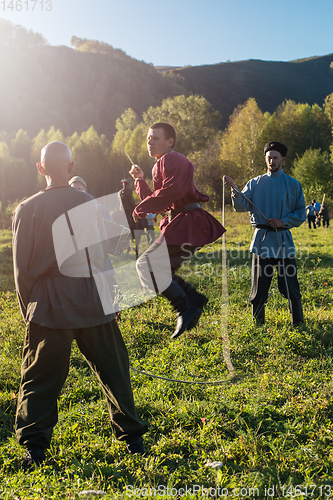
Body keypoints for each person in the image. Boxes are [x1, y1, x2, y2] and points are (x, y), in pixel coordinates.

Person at [12, 142, 147, 468]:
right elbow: (102, 258)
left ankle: (35, 449)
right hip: (91, 296)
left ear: (41, 168)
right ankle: (133, 441)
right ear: (70, 168)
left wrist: (27, 309)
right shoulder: (90, 203)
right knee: (115, 370)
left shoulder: (26, 208)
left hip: (47, 301)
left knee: (40, 377)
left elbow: (21, 269)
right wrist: (112, 297)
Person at [129, 122, 225, 339]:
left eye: (155, 138)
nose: (150, 142)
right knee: (158, 271)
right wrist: (139, 181)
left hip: (187, 223)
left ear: (170, 141)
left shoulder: (173, 159)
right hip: (179, 223)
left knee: (146, 266)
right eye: (148, 138)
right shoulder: (161, 164)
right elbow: (161, 201)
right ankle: (193, 300)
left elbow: (174, 191)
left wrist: (141, 208)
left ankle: (187, 306)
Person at [224, 141, 306, 326]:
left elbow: (301, 214)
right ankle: (258, 324)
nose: (271, 161)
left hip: (284, 241)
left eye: (275, 157)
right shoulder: (255, 183)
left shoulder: (293, 185)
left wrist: (282, 221)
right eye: (269, 157)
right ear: (265, 159)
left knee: (290, 283)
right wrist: (234, 190)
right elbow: (241, 206)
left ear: (283, 159)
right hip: (261, 242)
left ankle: (298, 322)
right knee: (260, 284)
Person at [118, 179, 143, 258]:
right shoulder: (129, 192)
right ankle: (142, 230)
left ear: (123, 184)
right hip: (129, 211)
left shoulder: (120, 192)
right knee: (140, 220)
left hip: (122, 211)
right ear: (128, 185)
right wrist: (136, 205)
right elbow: (132, 202)